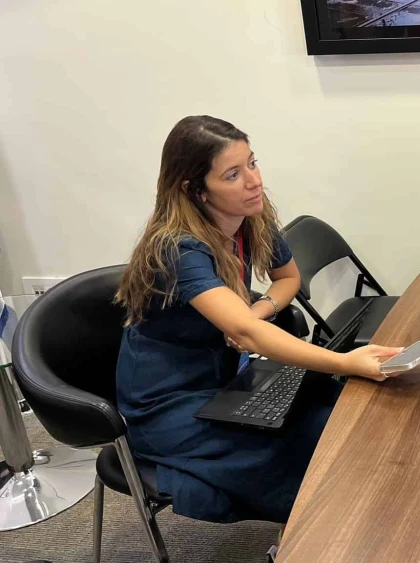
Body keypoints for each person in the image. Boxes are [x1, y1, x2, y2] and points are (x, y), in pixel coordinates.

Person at [115, 115, 403, 524]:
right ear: (194, 190)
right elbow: (246, 334)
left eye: (252, 163)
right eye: (232, 174)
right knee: (305, 441)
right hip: (171, 403)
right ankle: (325, 531)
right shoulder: (177, 249)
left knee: (334, 409)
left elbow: (288, 278)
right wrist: (342, 361)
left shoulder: (250, 215)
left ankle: (355, 513)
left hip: (226, 380)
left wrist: (256, 309)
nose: (253, 181)